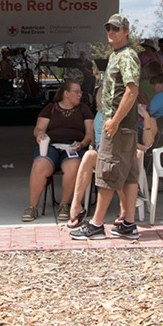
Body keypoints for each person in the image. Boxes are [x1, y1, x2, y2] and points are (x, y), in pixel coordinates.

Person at [70, 13, 142, 241]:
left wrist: (114, 121)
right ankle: (128, 224)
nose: (112, 32)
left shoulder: (127, 56)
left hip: (119, 127)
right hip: (124, 126)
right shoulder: (115, 55)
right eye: (109, 28)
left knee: (107, 173)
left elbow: (132, 90)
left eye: (117, 29)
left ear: (126, 32)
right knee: (129, 175)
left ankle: (96, 224)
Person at [23, 80, 93, 222]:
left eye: (81, 92)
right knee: (40, 165)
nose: (80, 95)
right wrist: (40, 134)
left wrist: (82, 144)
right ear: (66, 94)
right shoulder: (51, 108)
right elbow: (38, 128)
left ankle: (64, 204)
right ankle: (32, 206)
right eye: (77, 92)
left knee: (73, 167)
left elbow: (89, 134)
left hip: (73, 147)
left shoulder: (84, 109)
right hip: (52, 146)